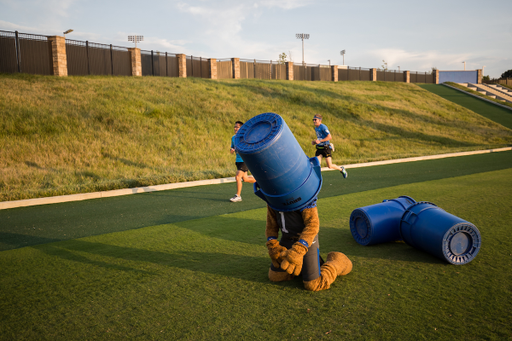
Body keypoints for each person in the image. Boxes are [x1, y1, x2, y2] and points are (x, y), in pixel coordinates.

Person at [265, 198, 353, 291]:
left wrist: (299, 250)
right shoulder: (272, 198)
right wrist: (273, 245)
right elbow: (271, 225)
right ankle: (306, 265)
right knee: (275, 276)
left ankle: (338, 261)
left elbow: (312, 225)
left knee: (313, 284)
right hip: (287, 239)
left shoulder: (303, 196)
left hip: (307, 242)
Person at [311, 114, 348, 178]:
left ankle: (341, 169)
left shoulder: (323, 127)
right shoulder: (316, 128)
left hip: (326, 148)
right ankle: (317, 178)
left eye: (315, 119)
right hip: (319, 148)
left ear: (320, 120)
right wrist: (315, 142)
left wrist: (320, 141)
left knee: (330, 166)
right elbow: (320, 138)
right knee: (317, 165)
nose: (314, 121)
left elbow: (329, 137)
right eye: (313, 120)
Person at [229, 121, 256, 202]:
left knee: (238, 177)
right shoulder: (233, 138)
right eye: (235, 127)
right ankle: (262, 183)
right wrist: (231, 150)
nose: (235, 128)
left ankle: (238, 196)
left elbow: (247, 147)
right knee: (245, 178)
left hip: (245, 160)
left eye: (237, 127)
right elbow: (232, 147)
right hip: (238, 160)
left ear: (241, 128)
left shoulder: (245, 138)